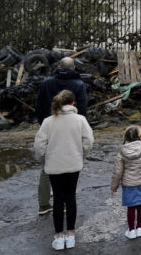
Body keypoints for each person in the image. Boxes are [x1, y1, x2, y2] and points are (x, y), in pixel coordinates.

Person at [34, 90, 94, 251]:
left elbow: (39, 146)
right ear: (73, 103)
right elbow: (88, 141)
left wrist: (43, 159)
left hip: (54, 166)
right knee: (71, 197)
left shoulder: (48, 121)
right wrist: (81, 154)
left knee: (58, 199)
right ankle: (71, 235)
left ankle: (59, 237)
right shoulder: (80, 120)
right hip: (73, 164)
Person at [35, 57, 88, 216]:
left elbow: (38, 106)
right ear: (74, 68)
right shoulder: (78, 85)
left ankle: (44, 204)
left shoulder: (46, 83)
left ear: (58, 67)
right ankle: (65, 203)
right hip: (72, 131)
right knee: (69, 167)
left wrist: (44, 124)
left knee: (46, 169)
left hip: (50, 128)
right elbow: (83, 108)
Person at [111, 125, 141, 240]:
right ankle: (139, 228)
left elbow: (117, 171)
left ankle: (131, 230)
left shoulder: (121, 152)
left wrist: (114, 186)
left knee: (131, 207)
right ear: (140, 136)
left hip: (128, 185)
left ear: (126, 137)